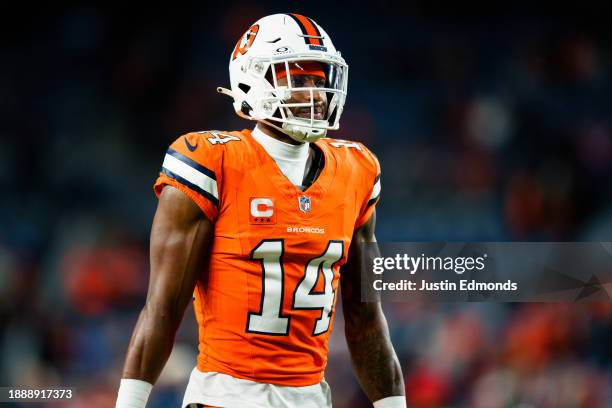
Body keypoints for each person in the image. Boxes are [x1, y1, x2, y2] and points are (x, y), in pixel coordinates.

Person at [116, 13, 405, 408]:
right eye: (299, 79)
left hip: (311, 399)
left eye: (320, 81)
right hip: (224, 397)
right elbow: (162, 308)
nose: (316, 94)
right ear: (253, 79)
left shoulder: (357, 170)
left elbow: (367, 320)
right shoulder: (212, 161)